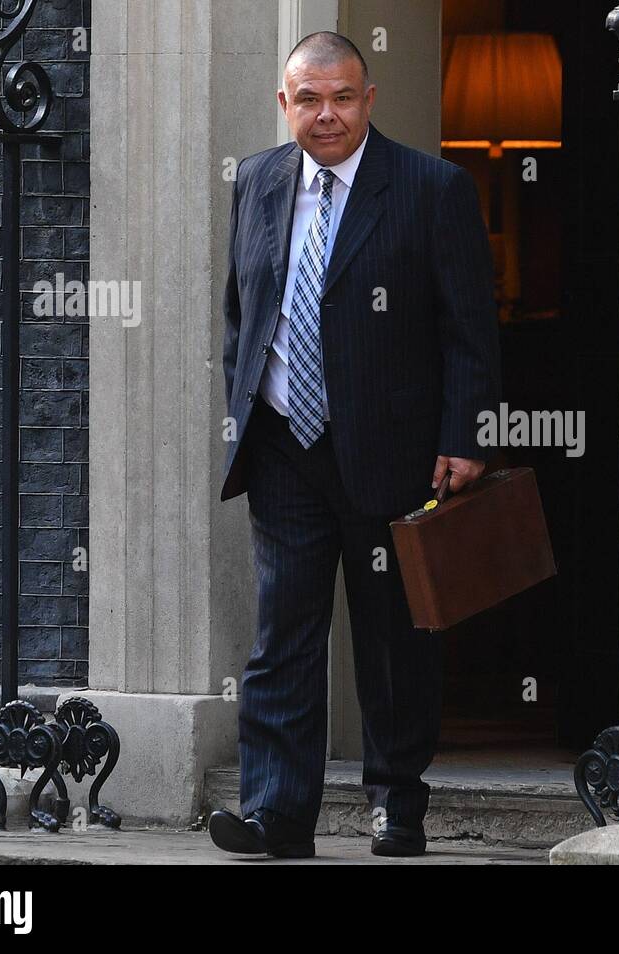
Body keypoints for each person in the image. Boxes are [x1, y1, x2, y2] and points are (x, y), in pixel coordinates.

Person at [209, 31, 500, 858]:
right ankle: (277, 813)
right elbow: (243, 306)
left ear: (370, 100)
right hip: (284, 449)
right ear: (285, 103)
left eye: (342, 97)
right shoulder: (260, 180)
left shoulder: (430, 188)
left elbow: (469, 329)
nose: (326, 114)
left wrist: (465, 433)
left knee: (392, 635)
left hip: (395, 451)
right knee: (283, 637)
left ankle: (396, 804)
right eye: (309, 99)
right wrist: (247, 404)